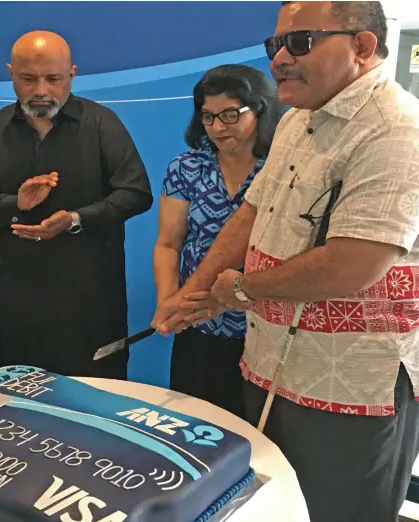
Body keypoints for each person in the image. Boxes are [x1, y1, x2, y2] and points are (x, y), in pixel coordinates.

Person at [152, 2, 419, 520]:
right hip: (274, 362)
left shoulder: (398, 129)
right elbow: (253, 212)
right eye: (275, 45)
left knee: (336, 510)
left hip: (355, 381)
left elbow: (354, 264)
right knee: (272, 502)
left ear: (363, 47)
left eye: (300, 42)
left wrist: (238, 292)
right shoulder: (299, 120)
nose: (279, 58)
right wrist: (197, 292)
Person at [0, 30, 152, 379]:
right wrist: (15, 202)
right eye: (28, 79)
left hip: (91, 292)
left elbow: (136, 192)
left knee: (97, 396)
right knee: (22, 392)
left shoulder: (100, 124)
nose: (41, 90)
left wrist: (76, 218)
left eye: (54, 79)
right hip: (18, 292)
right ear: (11, 75)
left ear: (72, 74)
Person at [154, 64, 283, 418]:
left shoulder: (282, 168)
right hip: (198, 322)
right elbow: (168, 244)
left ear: (260, 109)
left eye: (230, 114)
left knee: (255, 435)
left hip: (263, 327)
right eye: (208, 117)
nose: (217, 128)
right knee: (191, 428)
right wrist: (170, 300)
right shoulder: (186, 168)